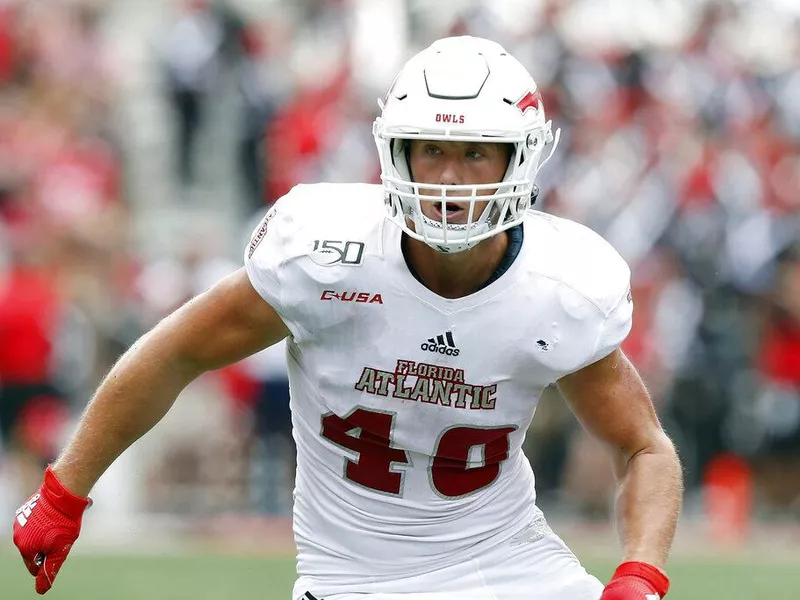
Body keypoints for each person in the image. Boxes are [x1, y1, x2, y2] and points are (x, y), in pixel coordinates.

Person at [12, 36, 683, 599]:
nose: (449, 179)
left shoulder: (558, 286)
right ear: (397, 154)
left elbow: (644, 447)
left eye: (475, 152)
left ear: (519, 158)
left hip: (507, 566)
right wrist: (64, 490)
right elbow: (175, 352)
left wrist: (641, 574)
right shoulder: (328, 254)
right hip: (351, 581)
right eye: (432, 150)